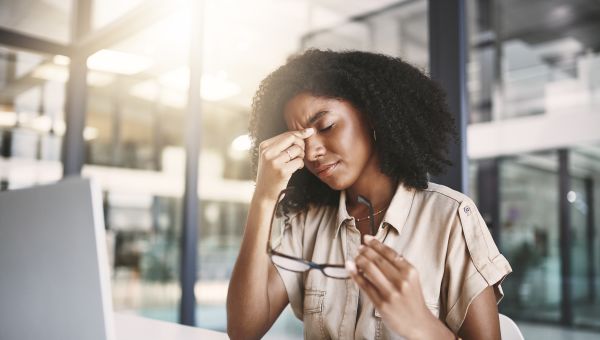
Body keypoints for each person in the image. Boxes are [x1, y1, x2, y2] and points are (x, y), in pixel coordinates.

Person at [227, 49, 512, 340]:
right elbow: (243, 331)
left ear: (373, 116)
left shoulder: (450, 218)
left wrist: (420, 323)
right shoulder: (308, 222)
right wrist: (264, 196)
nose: (312, 152)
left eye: (326, 126)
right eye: (299, 139)